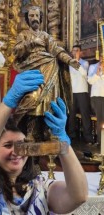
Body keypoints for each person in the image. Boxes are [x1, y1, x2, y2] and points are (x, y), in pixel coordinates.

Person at [0, 70, 88, 214]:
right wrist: (9, 101)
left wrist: (63, 142)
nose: (16, 151)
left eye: (22, 144)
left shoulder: (42, 187)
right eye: (7, 145)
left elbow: (79, 196)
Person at [12, 6, 80, 142]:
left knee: (48, 101)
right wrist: (31, 42)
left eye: (37, 15)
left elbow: (57, 50)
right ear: (27, 19)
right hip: (33, 71)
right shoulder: (23, 35)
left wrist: (70, 60)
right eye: (31, 16)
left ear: (41, 18)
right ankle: (31, 132)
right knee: (33, 99)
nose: (34, 18)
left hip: (49, 71)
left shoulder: (45, 36)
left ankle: (48, 131)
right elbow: (17, 51)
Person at [68, 45, 94, 144]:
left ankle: (88, 138)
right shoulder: (69, 63)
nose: (75, 52)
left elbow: (84, 74)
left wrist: (77, 61)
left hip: (82, 91)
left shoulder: (85, 63)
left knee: (85, 114)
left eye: (77, 51)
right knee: (71, 115)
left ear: (81, 52)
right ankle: (71, 135)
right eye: (73, 50)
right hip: (72, 92)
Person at [88, 55, 104, 146]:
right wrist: (97, 73)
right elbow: (90, 81)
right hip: (97, 96)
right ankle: (100, 142)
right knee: (100, 119)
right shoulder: (93, 67)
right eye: (102, 56)